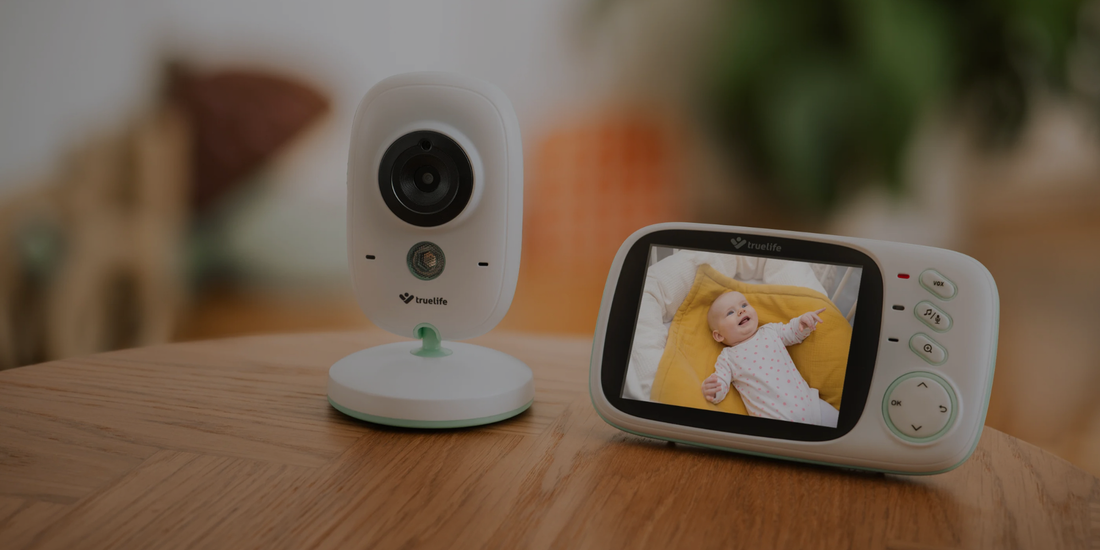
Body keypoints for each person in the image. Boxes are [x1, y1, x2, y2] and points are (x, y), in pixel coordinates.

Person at [702, 291, 839, 427]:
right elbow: (721, 381)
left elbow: (793, 332)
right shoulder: (728, 357)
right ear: (719, 336)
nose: (741, 311)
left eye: (744, 305)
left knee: (842, 427)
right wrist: (713, 390)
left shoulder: (770, 331)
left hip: (811, 406)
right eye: (730, 312)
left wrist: (803, 322)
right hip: (775, 419)